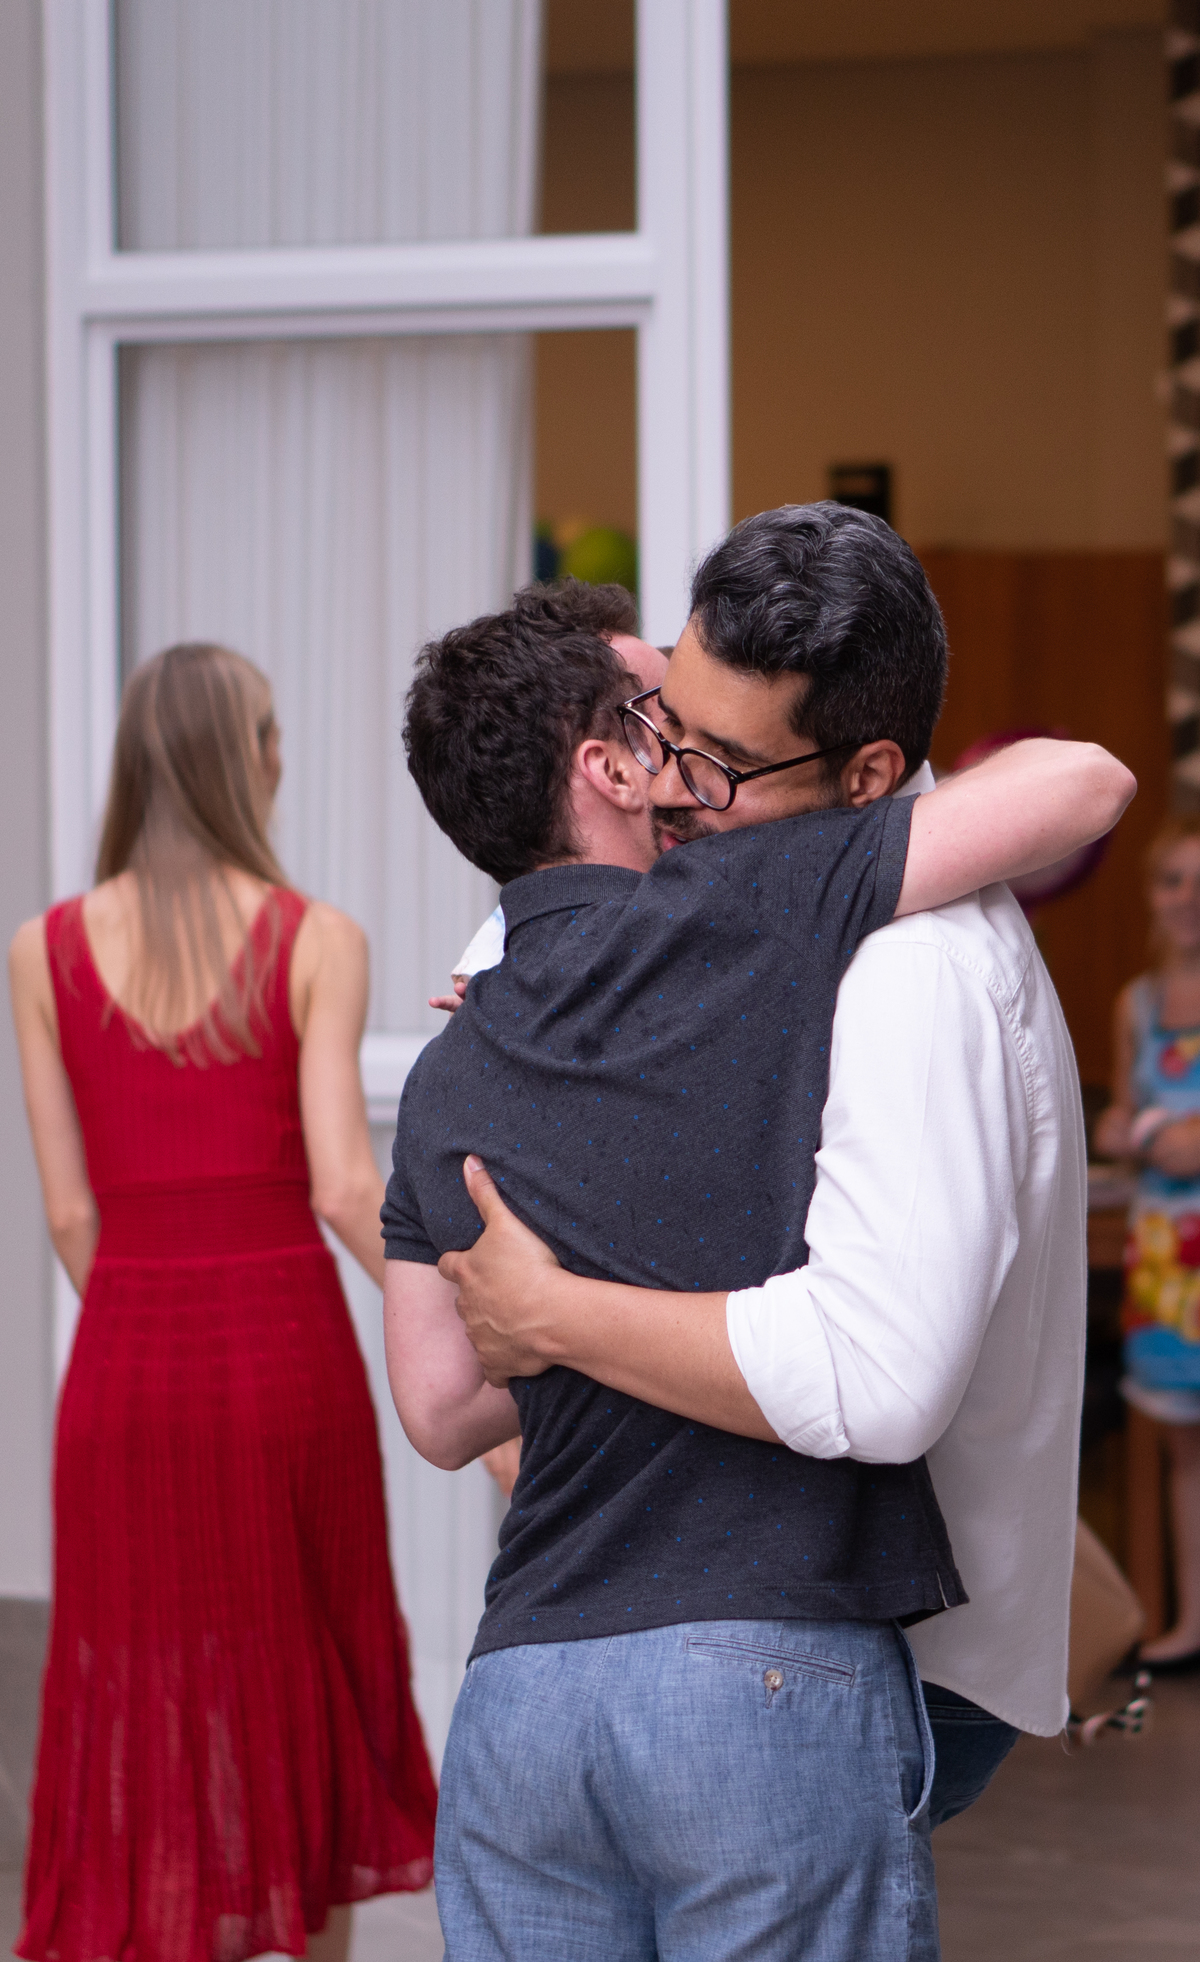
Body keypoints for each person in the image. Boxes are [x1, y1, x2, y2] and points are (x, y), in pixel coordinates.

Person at [382, 508, 1133, 1961]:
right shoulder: (756, 907)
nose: (680, 779)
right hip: (773, 1660)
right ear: (609, 761)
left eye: (709, 754)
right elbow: (1085, 778)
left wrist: (553, 1311)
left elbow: (439, 1404)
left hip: (525, 1678)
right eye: (658, 726)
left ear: (864, 779)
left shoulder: (476, 1031)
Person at [8, 644, 437, 1962]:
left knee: (144, 1685)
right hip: (281, 1360)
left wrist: (143, 1317)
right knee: (307, 1669)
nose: (282, 754)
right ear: (238, 760)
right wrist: (464, 1321)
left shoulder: (41, 950)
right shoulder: (317, 939)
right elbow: (344, 1185)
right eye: (270, 731)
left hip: (125, 1372)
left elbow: (68, 1213)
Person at [1096, 815, 1200, 1670]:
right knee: (1179, 1442)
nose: (1188, 898)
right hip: (1166, 1255)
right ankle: (1191, 1621)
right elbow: (1123, 1116)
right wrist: (1122, 1129)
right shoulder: (1134, 1003)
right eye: (1173, 879)